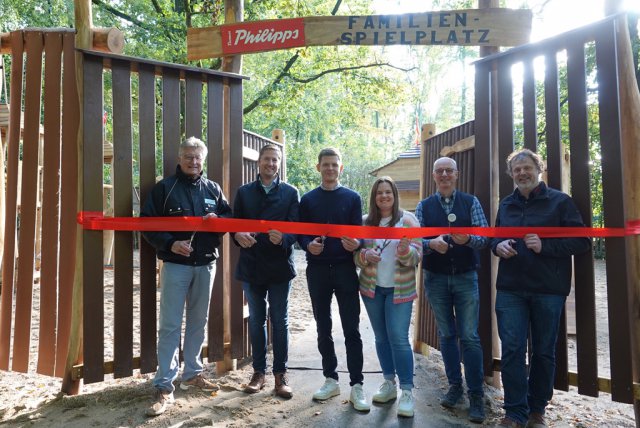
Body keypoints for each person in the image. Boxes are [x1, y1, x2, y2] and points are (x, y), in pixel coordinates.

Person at [493, 149, 590, 428]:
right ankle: (514, 412)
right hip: (511, 289)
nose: (522, 173)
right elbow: (494, 238)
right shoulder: (507, 205)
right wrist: (497, 247)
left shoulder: (561, 202)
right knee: (511, 349)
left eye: (527, 167)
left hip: (548, 289)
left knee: (544, 350)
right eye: (517, 169)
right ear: (511, 175)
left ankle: (537, 411)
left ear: (539, 169)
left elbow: (581, 242)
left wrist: (545, 246)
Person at [141, 137, 232, 417]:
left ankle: (192, 373)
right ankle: (164, 383)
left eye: (197, 157)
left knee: (198, 321)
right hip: (175, 266)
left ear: (203, 160)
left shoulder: (213, 189)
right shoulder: (164, 189)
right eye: (188, 157)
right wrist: (170, 244)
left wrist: (219, 220)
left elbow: (229, 219)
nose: (193, 162)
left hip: (205, 265)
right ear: (180, 158)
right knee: (169, 324)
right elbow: (146, 223)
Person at [415, 156, 489, 423]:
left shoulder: (471, 202)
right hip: (435, 278)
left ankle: (477, 394)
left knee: (469, 336)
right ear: (434, 176)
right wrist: (430, 244)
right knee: (447, 335)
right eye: (440, 171)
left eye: (449, 171)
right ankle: (455, 386)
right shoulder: (424, 206)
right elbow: (415, 240)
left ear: (456, 175)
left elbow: (485, 237)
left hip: (466, 277)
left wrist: (468, 238)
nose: (444, 175)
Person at [297, 147, 370, 412]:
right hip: (316, 269)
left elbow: (358, 233)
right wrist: (308, 245)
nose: (330, 168)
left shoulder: (352, 197)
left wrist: (356, 243)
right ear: (318, 168)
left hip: (344, 269)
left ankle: (357, 385)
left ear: (341, 168)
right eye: (325, 164)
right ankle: (331, 379)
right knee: (322, 326)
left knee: (352, 328)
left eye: (334, 164)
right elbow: (300, 234)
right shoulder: (307, 199)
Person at [232, 144, 300, 399]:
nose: (271, 164)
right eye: (267, 160)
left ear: (279, 164)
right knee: (257, 320)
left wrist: (283, 238)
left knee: (279, 321)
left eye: (275, 160)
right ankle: (258, 372)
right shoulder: (244, 192)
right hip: (252, 265)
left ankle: (280, 375)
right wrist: (238, 236)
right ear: (259, 163)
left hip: (280, 267)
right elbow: (234, 226)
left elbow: (297, 228)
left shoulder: (291, 192)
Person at [354, 177, 422, 417]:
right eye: (379, 193)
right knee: (381, 338)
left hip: (399, 289)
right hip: (372, 289)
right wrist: (365, 256)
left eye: (388, 192)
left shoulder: (408, 220)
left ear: (395, 195)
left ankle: (407, 391)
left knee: (399, 338)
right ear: (374, 197)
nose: (383, 196)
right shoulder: (364, 222)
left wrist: (406, 252)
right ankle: (389, 383)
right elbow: (356, 256)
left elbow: (417, 256)